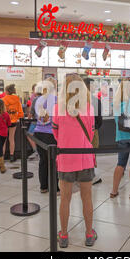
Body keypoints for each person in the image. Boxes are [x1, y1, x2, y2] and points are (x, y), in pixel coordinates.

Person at [53, 74, 97, 248]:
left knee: (65, 198)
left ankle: (63, 235)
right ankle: (88, 234)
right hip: (85, 158)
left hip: (65, 158)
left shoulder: (57, 109)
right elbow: (91, 134)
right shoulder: (89, 108)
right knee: (87, 198)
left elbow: (55, 134)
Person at [33, 77, 58, 193]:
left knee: (43, 161)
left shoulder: (37, 100)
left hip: (38, 133)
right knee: (54, 161)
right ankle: (56, 187)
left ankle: (43, 186)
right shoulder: (56, 100)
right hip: (51, 134)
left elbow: (33, 115)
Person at [83, 78, 103, 185]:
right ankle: (91, 176)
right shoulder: (95, 100)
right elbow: (99, 119)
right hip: (92, 130)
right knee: (92, 152)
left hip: (80, 132)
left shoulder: (77, 100)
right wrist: (96, 127)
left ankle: (81, 174)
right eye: (93, 85)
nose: (95, 87)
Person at [2, 84, 24, 163]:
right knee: (11, 139)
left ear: (7, 91)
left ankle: (2, 157)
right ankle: (12, 156)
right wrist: (17, 117)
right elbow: (21, 112)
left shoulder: (3, 100)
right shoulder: (17, 100)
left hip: (4, 121)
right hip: (13, 121)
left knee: (3, 140)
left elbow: (1, 111)